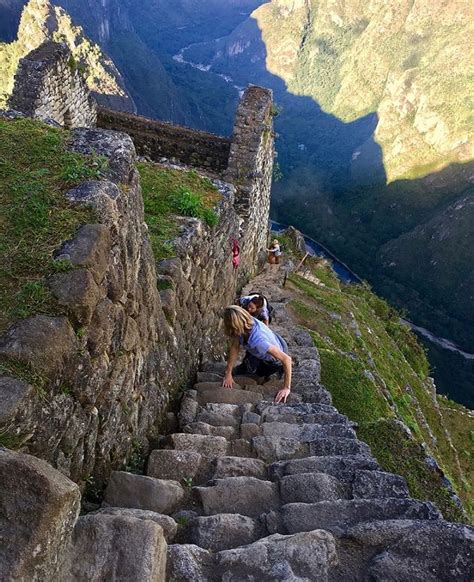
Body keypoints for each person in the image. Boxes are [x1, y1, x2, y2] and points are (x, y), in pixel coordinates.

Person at [222, 305, 291, 403]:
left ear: (235, 327)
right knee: (240, 370)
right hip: (273, 341)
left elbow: (286, 359)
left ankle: (278, 370)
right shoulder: (246, 322)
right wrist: (228, 373)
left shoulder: (258, 342)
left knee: (255, 374)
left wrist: (286, 388)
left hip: (273, 359)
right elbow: (235, 346)